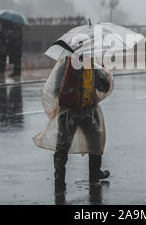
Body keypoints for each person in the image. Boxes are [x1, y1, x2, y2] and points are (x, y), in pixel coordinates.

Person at [33, 55, 114, 194]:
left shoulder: (66, 63)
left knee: (63, 145)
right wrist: (103, 71)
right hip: (88, 110)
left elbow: (55, 88)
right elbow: (105, 87)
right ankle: (94, 174)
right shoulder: (91, 64)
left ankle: (59, 180)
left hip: (68, 111)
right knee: (95, 141)